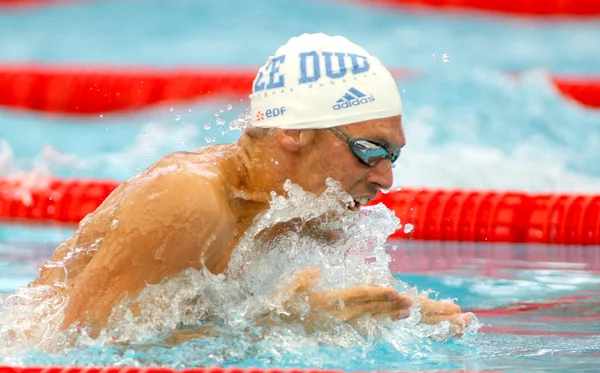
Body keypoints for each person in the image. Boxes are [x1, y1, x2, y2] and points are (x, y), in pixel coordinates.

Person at [30, 33, 472, 339]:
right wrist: (284, 327)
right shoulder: (186, 200)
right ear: (294, 132)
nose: (384, 178)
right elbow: (85, 352)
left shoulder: (305, 213)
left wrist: (401, 312)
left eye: (392, 157)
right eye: (369, 150)